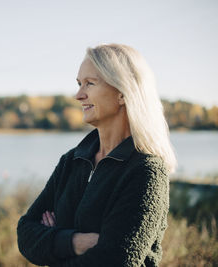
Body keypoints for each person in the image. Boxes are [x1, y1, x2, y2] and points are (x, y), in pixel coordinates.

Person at [16, 43, 176, 267]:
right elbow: (25, 233)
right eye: (79, 84)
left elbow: (117, 260)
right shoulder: (72, 161)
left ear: (122, 93)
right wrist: (74, 242)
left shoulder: (146, 171)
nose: (78, 95)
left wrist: (52, 240)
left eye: (90, 84)